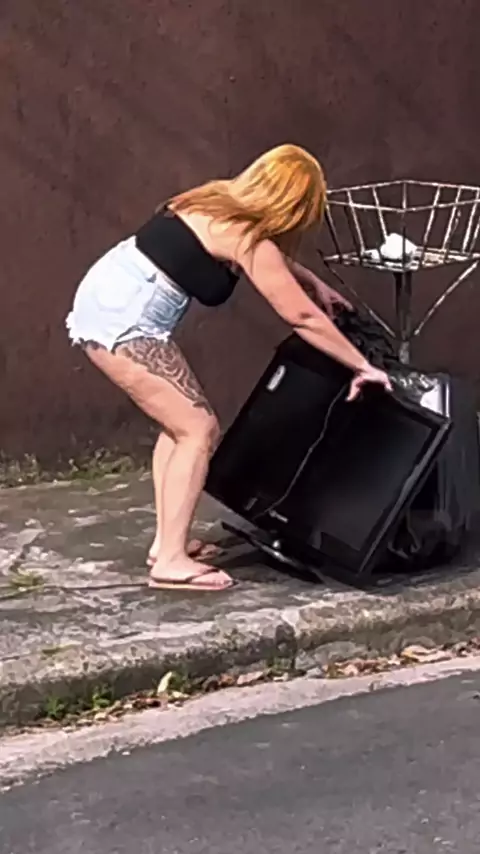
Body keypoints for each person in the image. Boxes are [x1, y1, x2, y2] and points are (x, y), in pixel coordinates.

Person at [66, 144, 392, 592]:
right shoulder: (245, 237)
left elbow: (268, 260)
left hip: (110, 301)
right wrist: (362, 365)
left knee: (178, 427)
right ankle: (171, 563)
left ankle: (166, 545)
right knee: (197, 430)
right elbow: (301, 317)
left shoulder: (211, 200)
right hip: (123, 323)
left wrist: (312, 280)